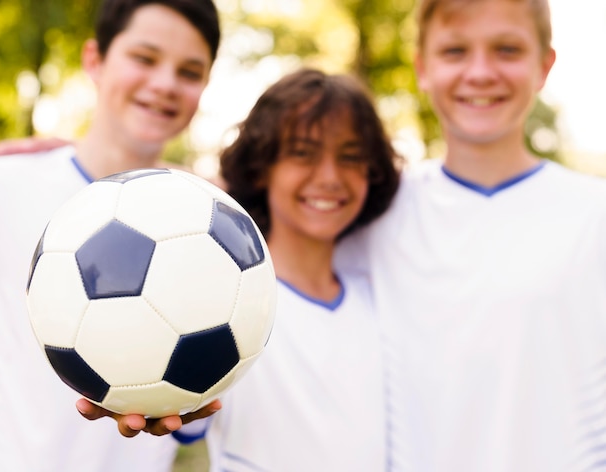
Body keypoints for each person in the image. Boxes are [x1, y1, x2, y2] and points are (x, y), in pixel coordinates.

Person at [75, 67, 402, 471]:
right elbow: (175, 403)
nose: (330, 177)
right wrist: (145, 403)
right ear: (261, 165)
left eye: (351, 157)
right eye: (303, 153)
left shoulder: (380, 296)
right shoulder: (223, 305)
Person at [335, 0, 606, 470]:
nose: (480, 73)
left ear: (545, 65)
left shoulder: (593, 216)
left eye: (506, 49)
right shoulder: (371, 218)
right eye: (455, 51)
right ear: (422, 67)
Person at [0, 0, 221, 470]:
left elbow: (198, 421)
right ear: (95, 60)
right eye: (144, 59)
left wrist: (186, 403)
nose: (165, 84)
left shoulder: (213, 231)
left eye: (189, 72)